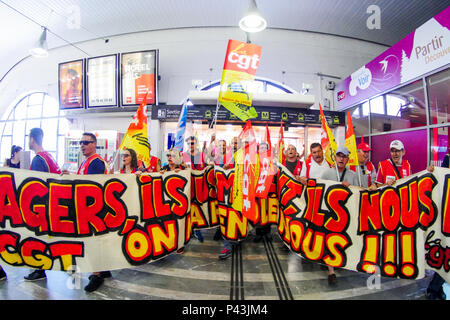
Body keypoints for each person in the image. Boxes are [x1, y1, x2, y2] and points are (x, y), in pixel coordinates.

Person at [67, 132, 110, 292]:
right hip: (89, 209)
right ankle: (104, 269)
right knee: (96, 242)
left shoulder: (96, 163)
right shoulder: (87, 162)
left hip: (93, 210)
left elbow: (90, 188)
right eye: (81, 142)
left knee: (93, 243)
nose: (82, 145)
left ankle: (96, 274)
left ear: (94, 144)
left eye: (86, 142)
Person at [24, 128, 61, 281]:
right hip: (53, 203)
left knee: (39, 237)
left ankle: (40, 269)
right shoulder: (49, 156)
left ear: (32, 139)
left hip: (43, 206)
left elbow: (37, 186)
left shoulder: (39, 159)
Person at [320, 146, 358, 285]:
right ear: (335, 158)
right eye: (339, 156)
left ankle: (343, 262)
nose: (341, 158)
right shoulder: (327, 174)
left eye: (344, 156)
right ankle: (331, 271)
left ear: (348, 159)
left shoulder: (353, 175)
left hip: (347, 214)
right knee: (330, 240)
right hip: (331, 214)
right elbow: (320, 191)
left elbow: (359, 193)